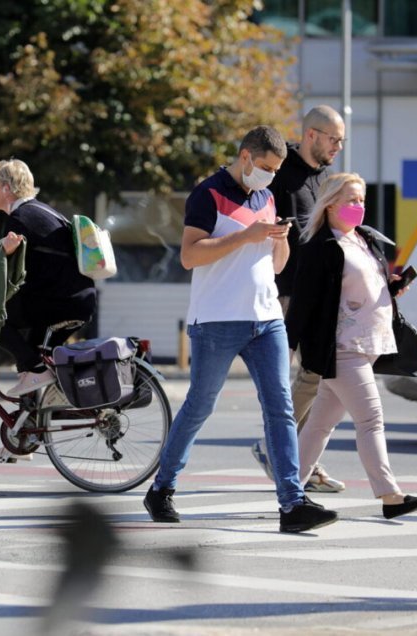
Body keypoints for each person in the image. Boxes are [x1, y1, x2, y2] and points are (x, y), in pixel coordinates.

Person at [142, 125, 338, 533]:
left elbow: (277, 265)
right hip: (216, 319)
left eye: (277, 169)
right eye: (266, 167)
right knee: (200, 405)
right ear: (245, 156)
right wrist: (247, 236)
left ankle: (292, 502)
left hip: (266, 319)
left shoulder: (266, 197)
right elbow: (190, 256)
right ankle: (161, 488)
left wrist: (279, 241)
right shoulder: (208, 193)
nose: (270, 175)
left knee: (280, 407)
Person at [286, 172, 417, 520]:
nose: (359, 207)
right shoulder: (321, 248)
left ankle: (289, 489)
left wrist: (391, 288)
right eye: (351, 200)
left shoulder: (363, 239)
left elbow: (363, 287)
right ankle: (390, 496)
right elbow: (303, 304)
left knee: (320, 424)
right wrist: (286, 348)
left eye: (362, 200)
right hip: (340, 348)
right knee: (371, 419)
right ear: (330, 203)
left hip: (367, 345)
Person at [251, 105, 348, 493]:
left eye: (341, 140)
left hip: (317, 293)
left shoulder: (322, 177)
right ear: (311, 135)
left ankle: (293, 456)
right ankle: (281, 453)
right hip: (283, 295)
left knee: (317, 376)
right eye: (333, 139)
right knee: (302, 378)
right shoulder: (279, 174)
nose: (338, 146)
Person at [0, 158, 97, 397]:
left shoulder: (18, 220)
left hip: (61, 303)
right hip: (77, 300)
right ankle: (36, 424)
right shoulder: (42, 210)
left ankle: (36, 374)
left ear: (6, 189)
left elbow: (9, 274)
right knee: (32, 355)